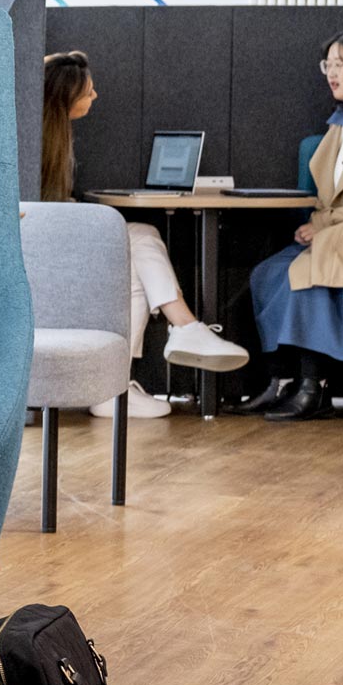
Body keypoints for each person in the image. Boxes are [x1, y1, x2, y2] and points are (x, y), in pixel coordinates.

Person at [41, 50, 250, 418]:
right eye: (88, 91)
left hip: (55, 244)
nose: (96, 96)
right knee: (139, 237)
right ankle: (184, 328)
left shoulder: (50, 138)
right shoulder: (39, 143)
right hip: (43, 253)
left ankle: (115, 386)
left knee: (134, 260)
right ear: (66, 97)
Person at [233, 26, 343, 421]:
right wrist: (323, 222)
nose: (331, 73)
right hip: (342, 228)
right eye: (327, 65)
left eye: (340, 64)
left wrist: (327, 223)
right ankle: (280, 379)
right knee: (269, 273)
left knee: (314, 266)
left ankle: (315, 387)